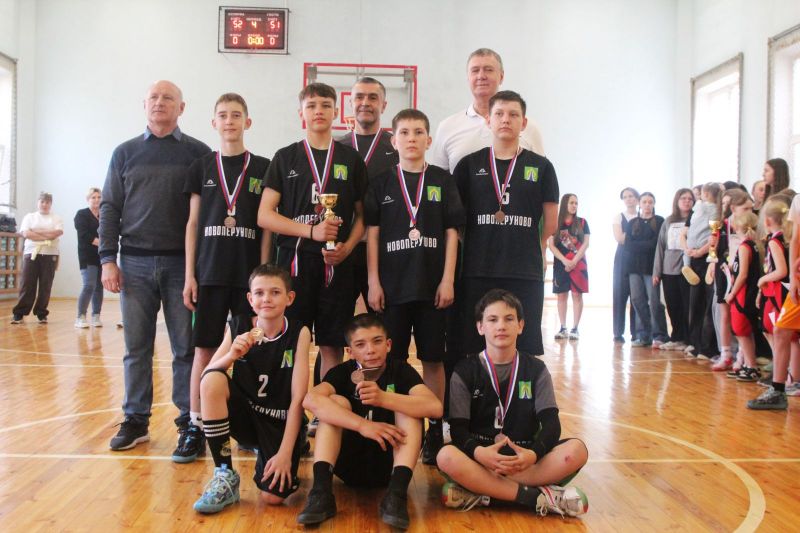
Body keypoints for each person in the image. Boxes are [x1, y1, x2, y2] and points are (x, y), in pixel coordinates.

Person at [100, 80, 211, 452]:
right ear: (143, 104)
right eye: (154, 97)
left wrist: (199, 268)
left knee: (185, 349)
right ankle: (135, 420)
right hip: (133, 263)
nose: (160, 103)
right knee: (136, 348)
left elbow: (207, 214)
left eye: (168, 98)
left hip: (183, 265)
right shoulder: (124, 153)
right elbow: (110, 207)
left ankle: (189, 421)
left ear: (182, 107)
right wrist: (107, 260)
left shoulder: (198, 153)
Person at [258, 82, 367, 410]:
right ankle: (287, 409)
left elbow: (363, 216)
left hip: (337, 264)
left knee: (332, 344)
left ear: (337, 112)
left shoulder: (350, 159)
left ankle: (324, 410)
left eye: (325, 105)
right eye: (311, 106)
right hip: (294, 265)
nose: (318, 111)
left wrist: (348, 247)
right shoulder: (285, 157)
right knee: (294, 341)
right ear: (301, 113)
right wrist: (310, 231)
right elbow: (265, 215)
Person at [364, 108, 465, 465]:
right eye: (404, 133)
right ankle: (392, 420)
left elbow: (452, 233)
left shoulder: (442, 180)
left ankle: (434, 428)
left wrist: (448, 279)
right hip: (391, 288)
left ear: (428, 139)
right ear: (393, 141)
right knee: (391, 360)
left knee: (433, 359)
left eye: (418, 132)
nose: (411, 138)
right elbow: (372, 235)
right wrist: (373, 281)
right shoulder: (381, 182)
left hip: (432, 288)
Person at [178, 93, 272, 463]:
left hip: (248, 280)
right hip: (210, 275)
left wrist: (262, 277)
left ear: (247, 122)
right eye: (223, 115)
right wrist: (190, 274)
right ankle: (195, 424)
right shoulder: (201, 167)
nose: (229, 121)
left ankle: (248, 426)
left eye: (236, 115)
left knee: (250, 352)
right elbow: (192, 224)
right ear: (213, 123)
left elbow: (266, 228)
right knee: (203, 349)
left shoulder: (263, 168)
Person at [436, 289, 588, 517]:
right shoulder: (464, 371)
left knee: (577, 451)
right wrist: (479, 453)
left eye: (509, 319)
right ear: (480, 327)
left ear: (521, 326)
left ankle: (483, 491)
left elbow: (551, 425)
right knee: (446, 457)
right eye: (492, 319)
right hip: (482, 459)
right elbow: (458, 429)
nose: (501, 326)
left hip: (525, 461)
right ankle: (535, 497)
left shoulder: (536, 369)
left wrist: (533, 455)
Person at [297, 313, 442, 529]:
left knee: (410, 408)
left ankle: (396, 495)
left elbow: (435, 407)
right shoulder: (341, 373)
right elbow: (310, 399)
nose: (370, 350)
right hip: (348, 463)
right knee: (335, 402)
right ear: (349, 351)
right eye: (361, 344)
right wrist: (363, 425)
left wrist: (384, 398)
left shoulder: (401, 371)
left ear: (388, 345)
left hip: (389, 464)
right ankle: (321, 492)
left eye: (377, 341)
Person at [192, 264, 309, 513]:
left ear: (289, 298)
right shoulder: (238, 325)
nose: (266, 299)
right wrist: (231, 355)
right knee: (213, 380)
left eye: (275, 292)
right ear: (250, 299)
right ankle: (224, 473)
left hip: (279, 422)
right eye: (259, 293)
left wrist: (285, 452)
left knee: (273, 497)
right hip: (245, 416)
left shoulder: (299, 332)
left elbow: (298, 397)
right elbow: (206, 376)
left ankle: (289, 448)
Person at [455, 90, 558, 358]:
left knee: (524, 343)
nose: (505, 120)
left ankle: (520, 387)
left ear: (524, 123)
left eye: (513, 114)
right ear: (488, 120)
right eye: (499, 114)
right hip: (478, 268)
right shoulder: (468, 165)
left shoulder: (542, 167)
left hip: (524, 270)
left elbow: (551, 221)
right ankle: (478, 387)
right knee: (474, 342)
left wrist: (536, 246)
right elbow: (456, 221)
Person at [335, 77, 399, 311]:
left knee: (382, 319)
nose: (365, 102)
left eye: (373, 97)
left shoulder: (397, 147)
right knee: (337, 320)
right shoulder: (337, 148)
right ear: (350, 103)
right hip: (343, 247)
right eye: (359, 97)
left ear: (383, 105)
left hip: (383, 248)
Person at [430, 48, 544, 172]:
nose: (481, 76)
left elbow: (540, 173)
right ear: (468, 77)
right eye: (475, 70)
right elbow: (438, 179)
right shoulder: (447, 127)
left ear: (501, 76)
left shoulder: (528, 127)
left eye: (488, 70)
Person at [748, 194, 800, 409]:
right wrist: (794, 279)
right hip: (797, 282)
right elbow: (795, 239)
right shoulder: (798, 201)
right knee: (781, 330)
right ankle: (778, 390)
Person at [680, 182, 722, 358]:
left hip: (704, 258)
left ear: (705, 194)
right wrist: (691, 250)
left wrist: (696, 251)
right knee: (699, 303)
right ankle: (698, 345)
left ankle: (702, 345)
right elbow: (688, 233)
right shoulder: (702, 211)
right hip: (697, 255)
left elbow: (714, 237)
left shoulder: (710, 211)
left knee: (703, 303)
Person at [11, 192, 63, 324]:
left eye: (47, 202)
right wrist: (46, 236)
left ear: (51, 204)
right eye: (42, 202)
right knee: (27, 283)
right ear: (38, 202)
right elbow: (26, 233)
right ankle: (19, 313)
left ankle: (41, 313)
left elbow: (57, 233)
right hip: (31, 254)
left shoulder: (56, 218)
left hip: (50, 254)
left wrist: (36, 231)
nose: (44, 204)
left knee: (46, 285)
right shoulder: (30, 217)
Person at [625, 193, 667, 347]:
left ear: (654, 203)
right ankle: (643, 334)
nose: (647, 205)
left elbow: (656, 244)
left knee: (654, 301)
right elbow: (628, 244)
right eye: (644, 202)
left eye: (650, 202)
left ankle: (659, 334)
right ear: (640, 204)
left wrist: (639, 245)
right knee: (637, 299)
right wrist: (645, 244)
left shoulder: (660, 221)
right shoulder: (632, 222)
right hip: (634, 267)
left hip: (651, 267)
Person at [653, 189, 694, 351]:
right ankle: (677, 337)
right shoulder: (668, 221)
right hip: (669, 269)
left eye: (690, 199)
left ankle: (689, 339)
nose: (686, 201)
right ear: (677, 201)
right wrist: (657, 271)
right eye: (683, 198)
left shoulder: (695, 219)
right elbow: (661, 246)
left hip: (687, 269)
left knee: (687, 305)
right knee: (672, 304)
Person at [724, 212, 762, 381]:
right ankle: (749, 364)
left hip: (743, 293)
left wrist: (732, 293)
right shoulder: (752, 245)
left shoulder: (745, 246)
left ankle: (751, 366)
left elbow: (743, 274)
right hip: (746, 291)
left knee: (741, 330)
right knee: (744, 331)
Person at [548, 193, 590, 340]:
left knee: (577, 295)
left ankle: (575, 328)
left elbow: (586, 243)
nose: (574, 206)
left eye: (576, 203)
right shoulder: (555, 223)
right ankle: (563, 327)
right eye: (571, 202)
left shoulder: (582, 222)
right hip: (561, 264)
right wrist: (565, 261)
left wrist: (574, 261)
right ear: (565, 203)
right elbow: (551, 245)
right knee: (561, 295)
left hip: (579, 264)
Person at [612, 187, 640, 343]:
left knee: (637, 296)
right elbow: (620, 238)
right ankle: (618, 332)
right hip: (623, 258)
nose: (629, 199)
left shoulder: (642, 216)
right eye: (625, 197)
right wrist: (637, 236)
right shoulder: (619, 217)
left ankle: (637, 332)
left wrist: (630, 236)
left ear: (637, 198)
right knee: (620, 294)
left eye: (631, 196)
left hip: (639, 258)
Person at [74, 188, 103, 328]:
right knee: (89, 285)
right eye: (93, 197)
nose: (96, 200)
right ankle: (80, 317)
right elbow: (84, 235)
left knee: (99, 287)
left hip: (101, 256)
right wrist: (103, 243)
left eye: (99, 197)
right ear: (88, 199)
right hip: (87, 256)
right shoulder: (81, 214)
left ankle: (96, 316)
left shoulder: (104, 215)